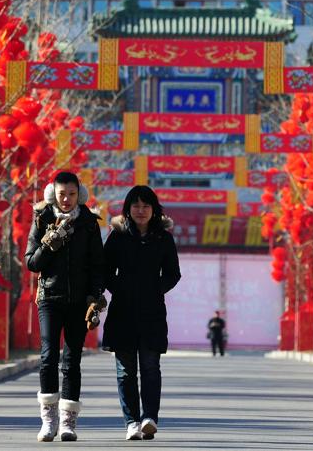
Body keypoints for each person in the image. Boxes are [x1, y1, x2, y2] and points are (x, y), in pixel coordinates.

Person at [25, 171, 106, 442]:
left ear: (79, 194)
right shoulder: (42, 218)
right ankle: (48, 420)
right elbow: (32, 263)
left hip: (79, 303)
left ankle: (68, 421)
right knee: (48, 357)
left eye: (72, 194)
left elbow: (98, 265)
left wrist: (95, 296)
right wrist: (50, 243)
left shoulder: (89, 223)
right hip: (48, 298)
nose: (67, 199)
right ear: (53, 193)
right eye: (62, 194)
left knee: (71, 361)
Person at [101, 185, 182, 441]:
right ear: (128, 209)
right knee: (125, 370)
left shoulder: (163, 238)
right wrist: (119, 289)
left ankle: (149, 418)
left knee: (150, 367)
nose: (141, 210)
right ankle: (131, 422)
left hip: (152, 312)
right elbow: (104, 270)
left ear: (154, 209)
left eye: (146, 206)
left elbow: (173, 273)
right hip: (122, 311)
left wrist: (155, 289)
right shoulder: (118, 236)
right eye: (135, 206)